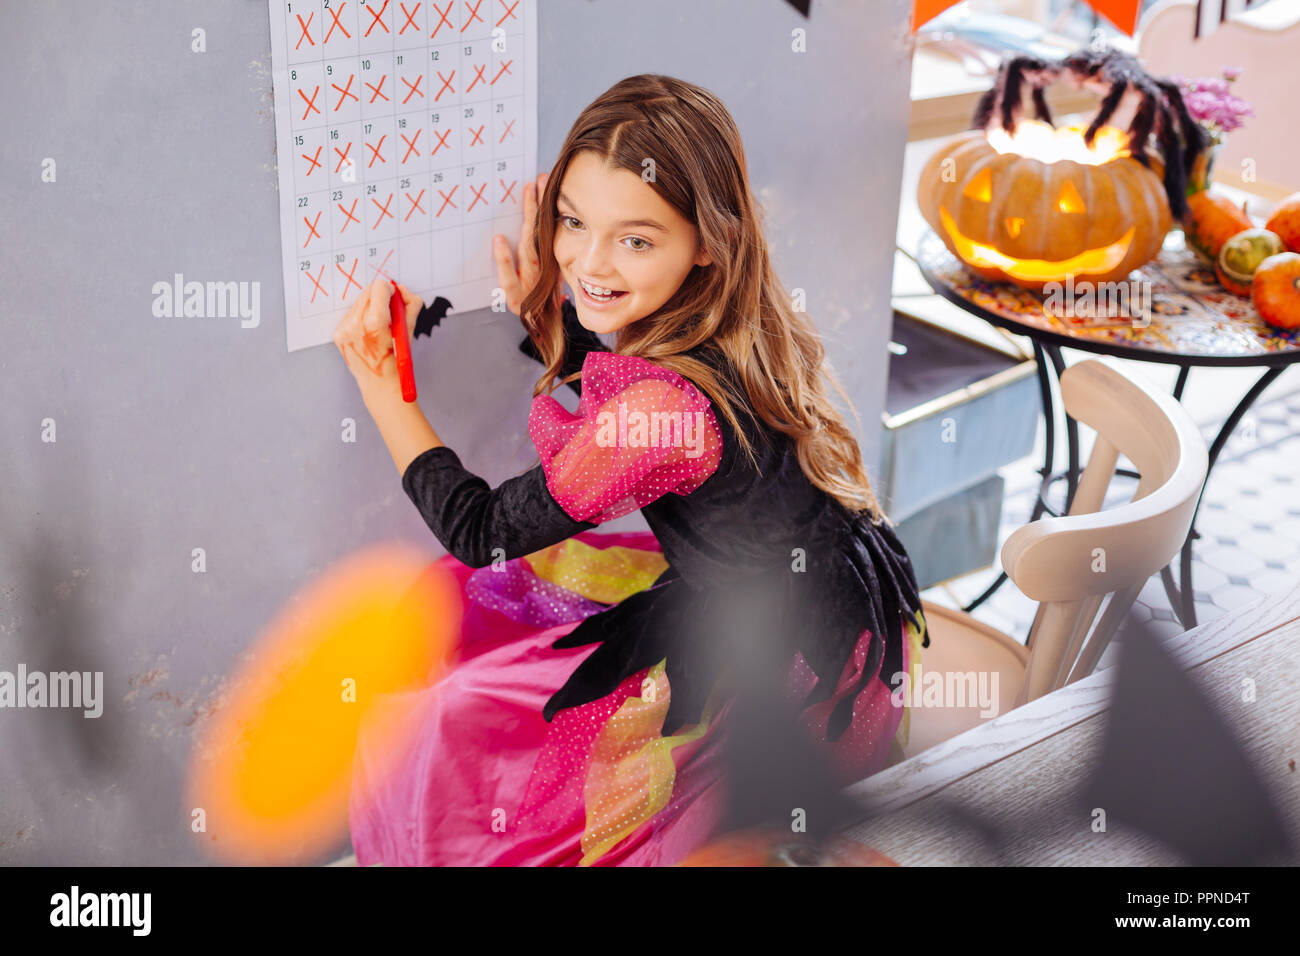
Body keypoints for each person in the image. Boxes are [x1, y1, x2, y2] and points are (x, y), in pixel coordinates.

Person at [335, 74, 928, 867]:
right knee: (460, 598)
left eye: (635, 239)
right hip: (840, 609)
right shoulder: (737, 318)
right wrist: (555, 317)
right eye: (573, 223)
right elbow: (645, 419)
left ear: (709, 241)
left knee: (454, 710)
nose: (587, 260)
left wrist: (382, 393)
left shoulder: (664, 415)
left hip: (798, 678)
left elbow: (484, 531)